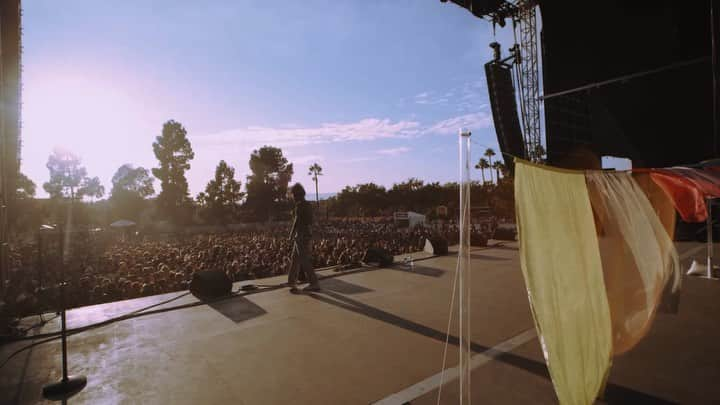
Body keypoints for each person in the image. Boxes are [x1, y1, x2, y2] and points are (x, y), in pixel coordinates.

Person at [287, 183, 321, 293]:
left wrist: (291, 234)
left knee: (303, 259)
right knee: (295, 258)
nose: (292, 197)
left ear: (296, 195)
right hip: (306, 234)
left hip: (300, 235)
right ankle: (291, 281)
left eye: (293, 195)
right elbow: (310, 221)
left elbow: (296, 221)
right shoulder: (308, 205)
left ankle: (314, 283)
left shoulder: (300, 205)